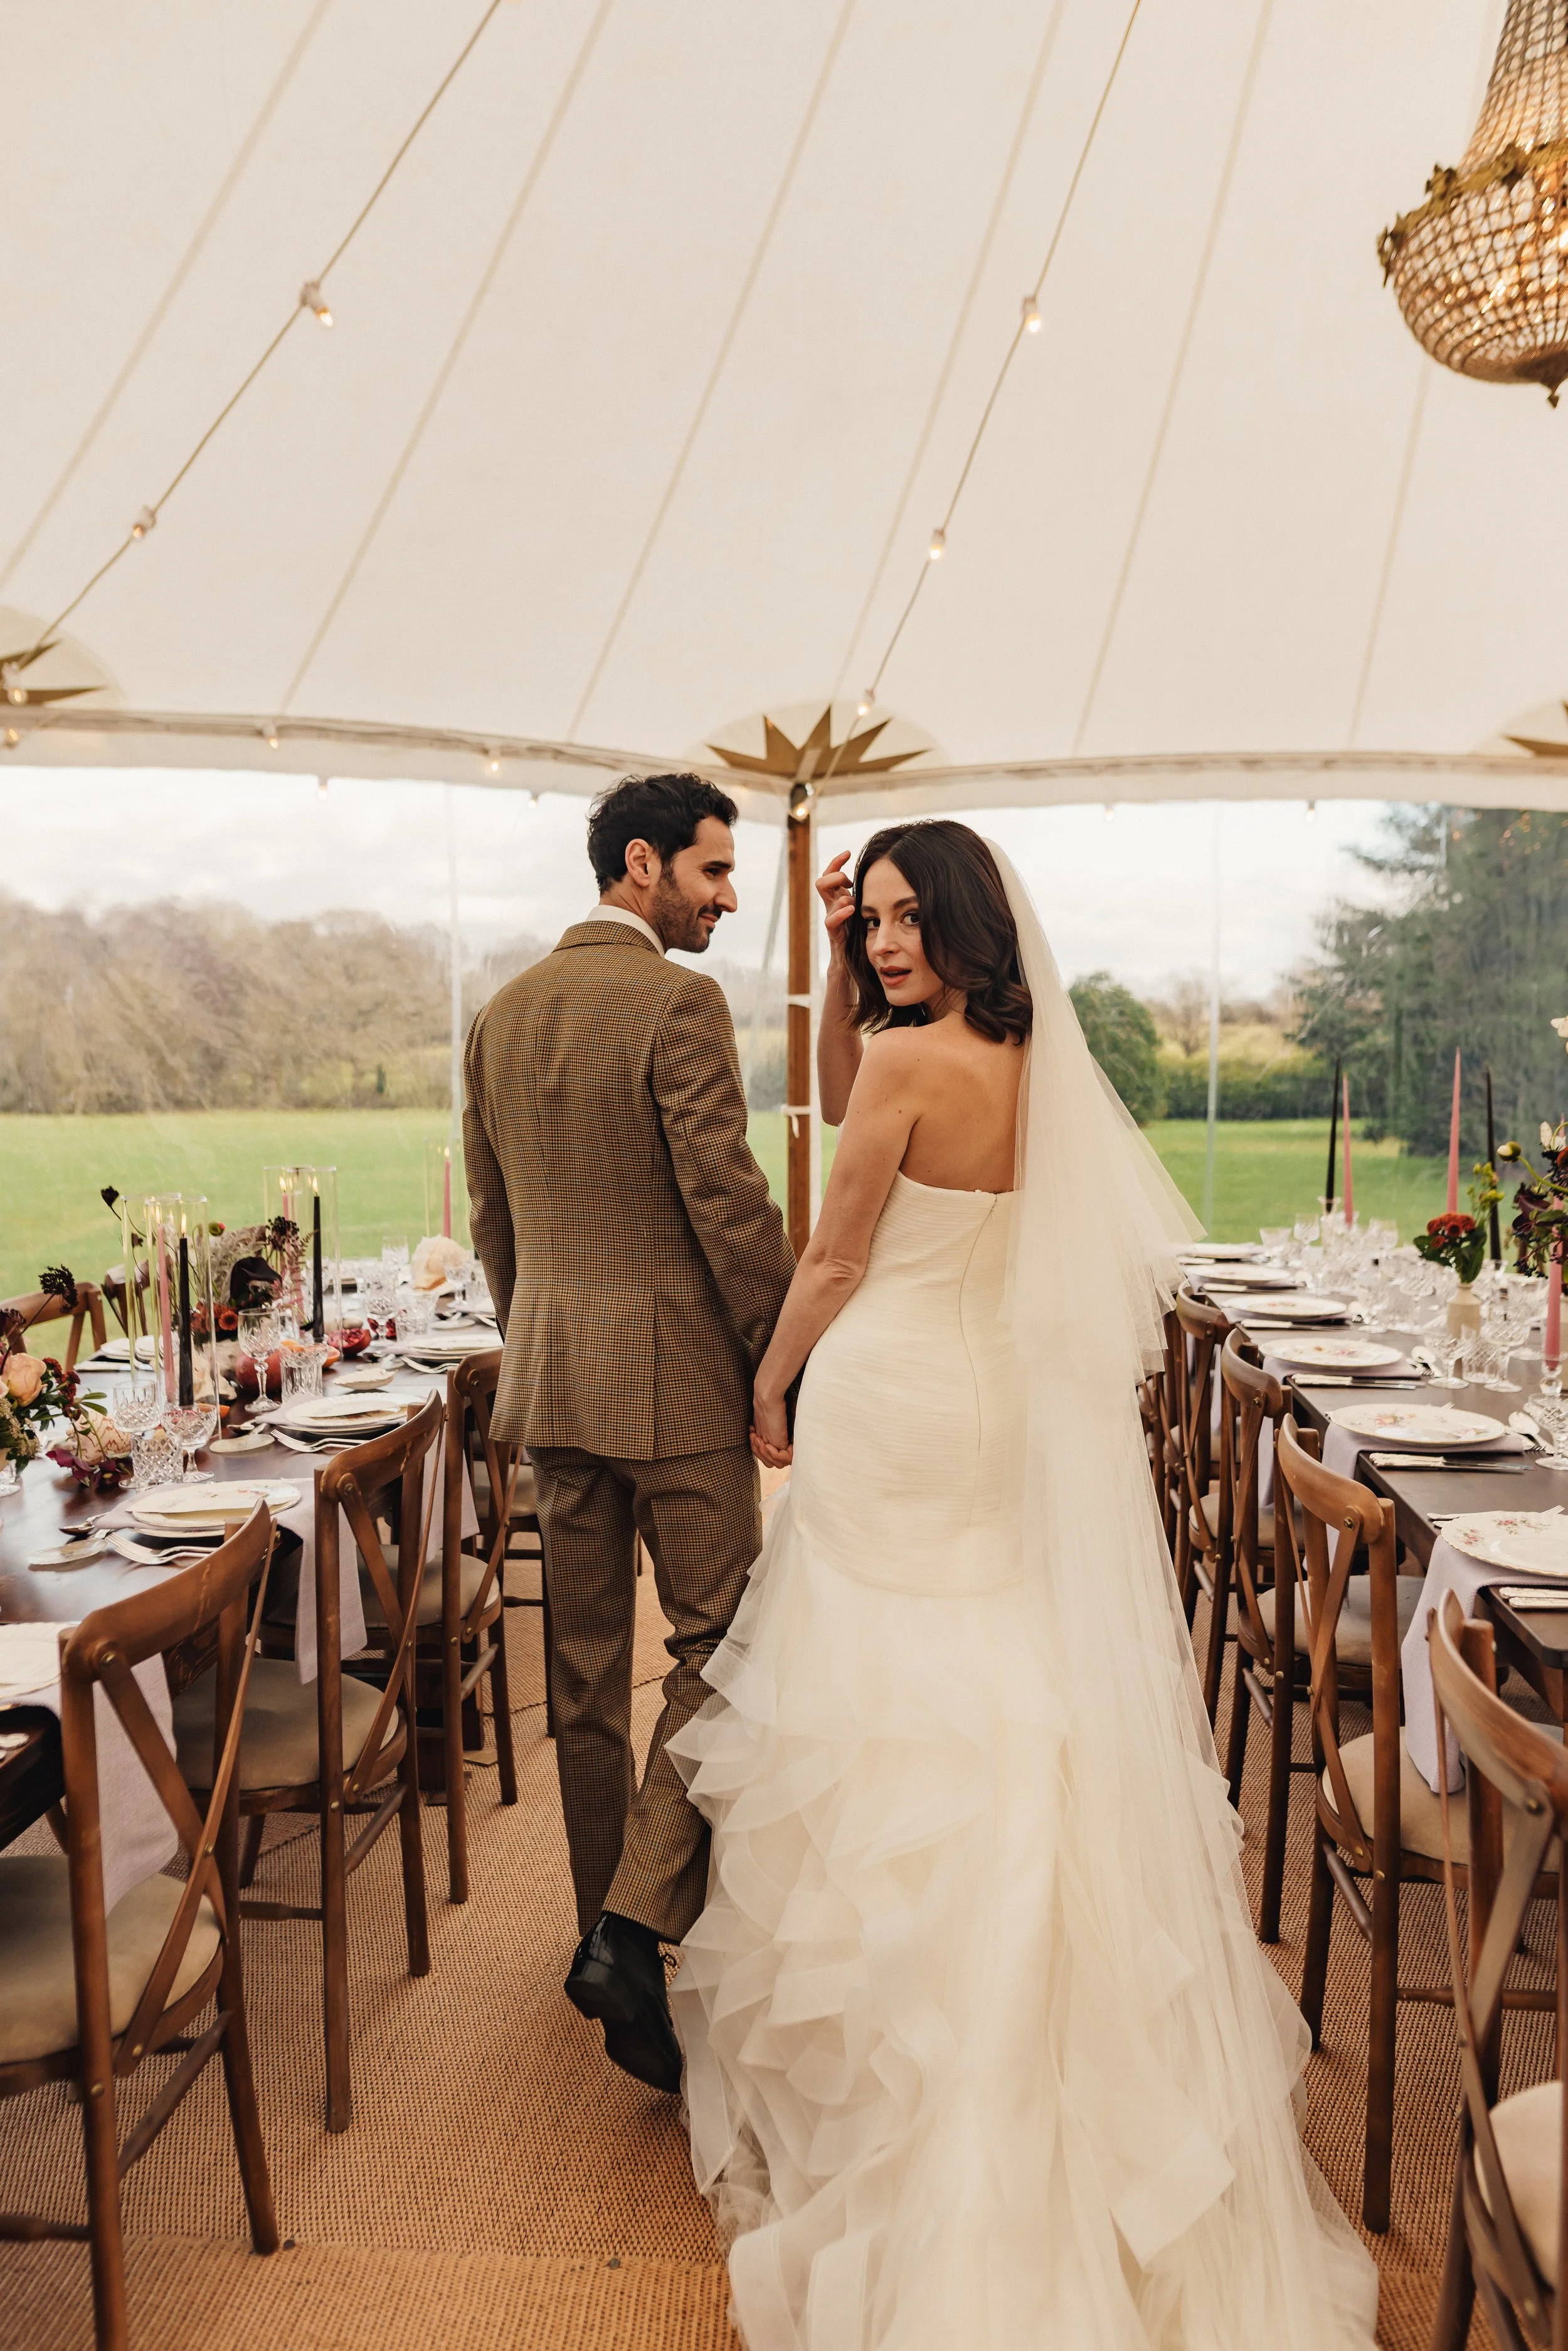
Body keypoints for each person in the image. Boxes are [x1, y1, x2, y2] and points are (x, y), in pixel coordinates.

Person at [668, 821, 1377, 2347]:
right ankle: (1023, 2006)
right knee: (998, 1681)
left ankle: (905, 2050)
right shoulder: (1034, 1055)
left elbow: (836, 1260)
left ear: (973, 922)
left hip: (890, 1407)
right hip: (988, 1401)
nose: (885, 945)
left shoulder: (909, 1069)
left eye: (913, 921)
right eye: (874, 925)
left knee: (872, 1704)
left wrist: (770, 1385)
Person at [464, 771, 793, 2094]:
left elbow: (494, 1223)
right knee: (725, 1640)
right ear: (642, 863)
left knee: (585, 1677)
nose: (726, 899)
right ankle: (632, 1923)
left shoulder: (499, 1012)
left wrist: (539, 1336)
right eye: (713, 872)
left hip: (551, 1383)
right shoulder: (676, 999)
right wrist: (782, 1358)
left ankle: (603, 1931)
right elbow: (727, 1200)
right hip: (675, 1388)